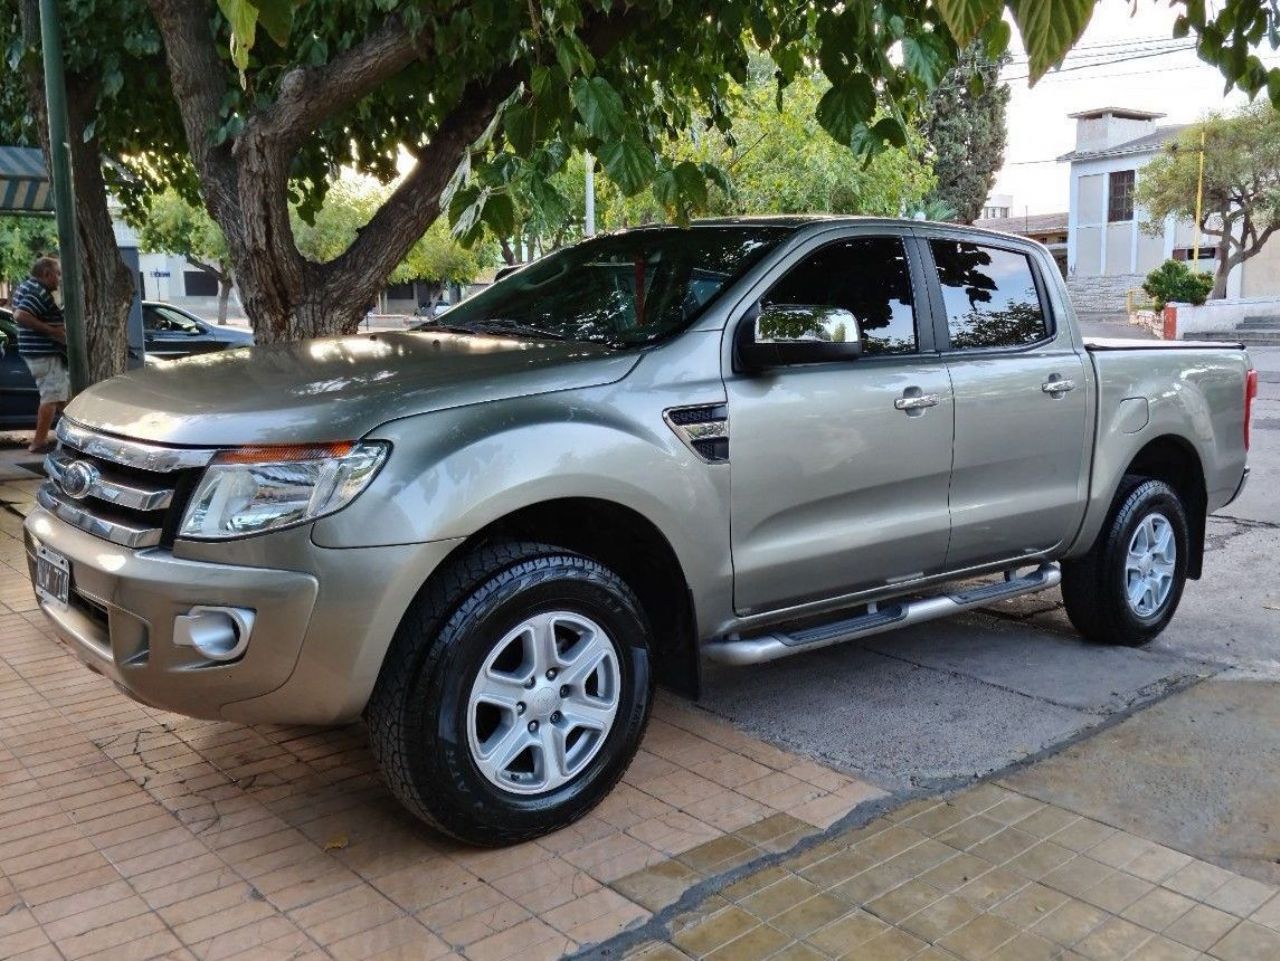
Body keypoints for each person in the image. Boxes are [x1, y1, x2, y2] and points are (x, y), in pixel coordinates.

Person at [12, 257, 68, 453]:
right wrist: (51, 331)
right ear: (46, 274)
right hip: (43, 352)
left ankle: (74, 436)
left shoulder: (26, 286)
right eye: (57, 274)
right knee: (51, 396)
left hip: (38, 351)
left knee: (64, 397)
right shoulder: (38, 291)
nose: (59, 279)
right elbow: (20, 315)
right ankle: (39, 441)